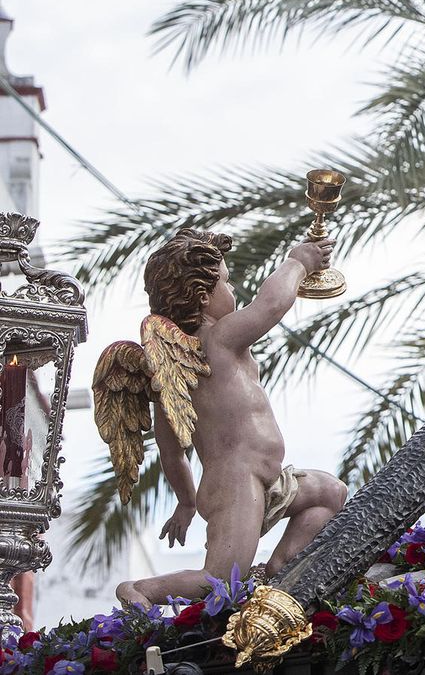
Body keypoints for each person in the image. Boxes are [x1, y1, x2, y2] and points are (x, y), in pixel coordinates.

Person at [92, 229, 349, 605]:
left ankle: (279, 573)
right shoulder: (218, 340)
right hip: (235, 481)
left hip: (268, 476)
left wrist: (186, 502)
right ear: (202, 296)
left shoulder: (180, 370)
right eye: (227, 283)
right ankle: (140, 590)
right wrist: (298, 261)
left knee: (330, 493)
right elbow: (269, 307)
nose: (234, 293)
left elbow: (172, 452)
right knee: (222, 578)